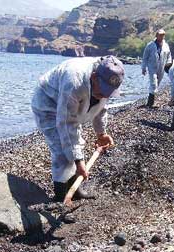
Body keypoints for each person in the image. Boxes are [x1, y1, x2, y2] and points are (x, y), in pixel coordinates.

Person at [31, 56, 125, 202]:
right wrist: (79, 161)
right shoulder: (74, 81)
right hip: (49, 103)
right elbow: (67, 123)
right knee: (61, 149)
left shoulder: (107, 79)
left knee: (77, 145)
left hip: (70, 103)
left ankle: (75, 190)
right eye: (102, 92)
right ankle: (61, 196)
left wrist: (101, 133)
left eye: (108, 93)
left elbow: (101, 108)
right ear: (94, 77)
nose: (104, 96)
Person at [142, 29, 172, 107]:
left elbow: (169, 55)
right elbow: (145, 57)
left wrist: (168, 63)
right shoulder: (150, 45)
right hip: (152, 67)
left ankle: (151, 100)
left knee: (157, 83)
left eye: (163, 35)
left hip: (161, 67)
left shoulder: (166, 45)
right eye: (160, 35)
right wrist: (143, 68)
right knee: (154, 83)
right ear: (156, 35)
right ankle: (150, 103)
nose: (161, 36)